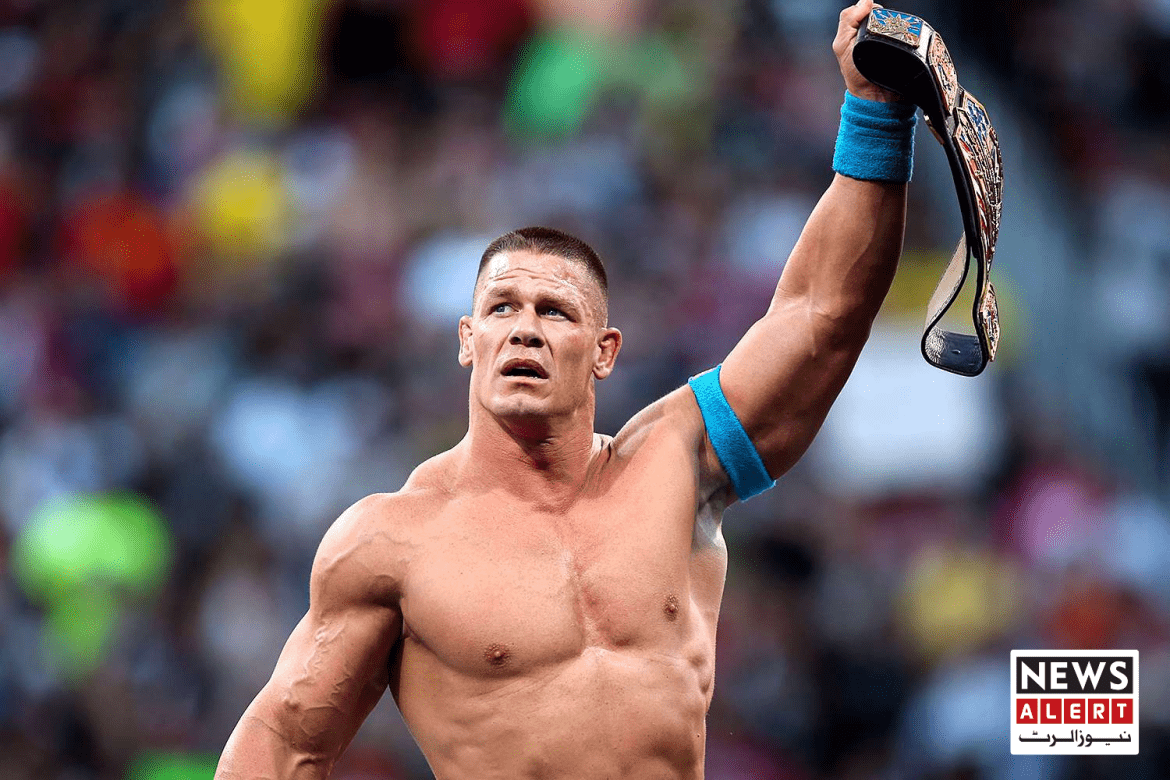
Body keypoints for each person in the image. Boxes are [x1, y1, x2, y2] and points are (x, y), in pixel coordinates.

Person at [215, 2, 915, 777]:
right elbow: (284, 740)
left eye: (555, 312)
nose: (524, 329)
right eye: (501, 310)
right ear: (466, 341)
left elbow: (821, 315)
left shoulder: (673, 466)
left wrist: (874, 112)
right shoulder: (392, 543)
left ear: (605, 352)